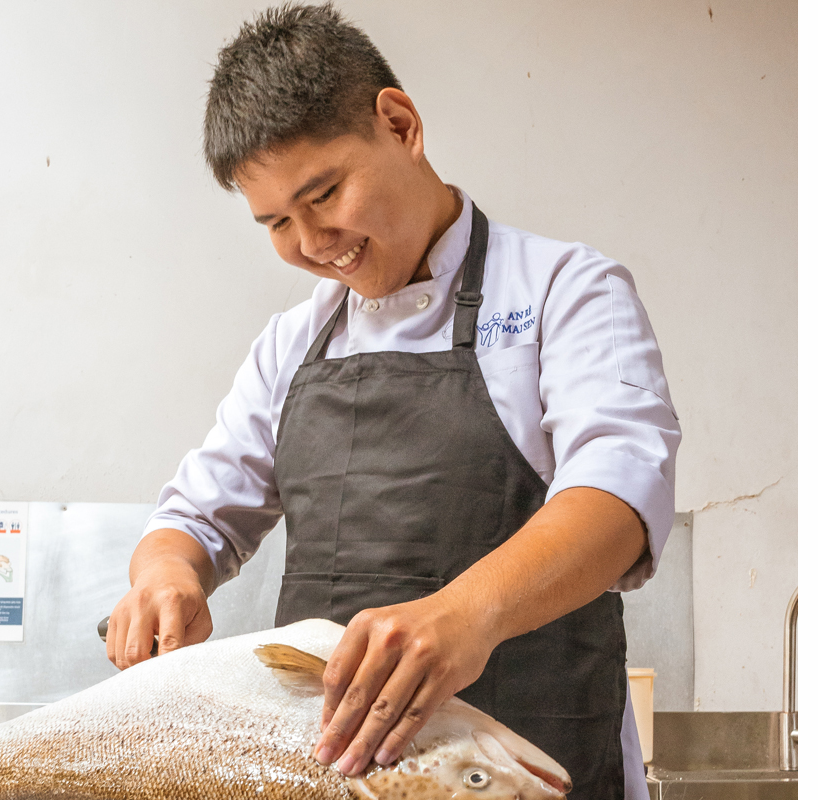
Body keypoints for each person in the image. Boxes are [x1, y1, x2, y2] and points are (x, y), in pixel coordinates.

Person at [104, 4, 680, 799]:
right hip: (332, 779)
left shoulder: (564, 291)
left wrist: (467, 615)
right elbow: (196, 515)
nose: (310, 243)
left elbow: (621, 496)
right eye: (275, 222)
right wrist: (165, 573)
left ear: (400, 125)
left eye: (325, 193)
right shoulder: (291, 344)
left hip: (534, 768)